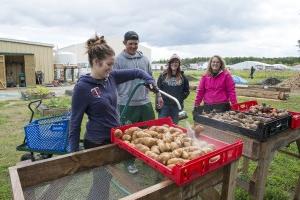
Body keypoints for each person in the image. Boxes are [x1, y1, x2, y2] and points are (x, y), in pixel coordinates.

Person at [69, 35, 157, 195]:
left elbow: (138, 72)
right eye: (108, 64)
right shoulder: (82, 88)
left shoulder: (111, 77)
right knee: (101, 183)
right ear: (96, 62)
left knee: (104, 182)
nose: (111, 68)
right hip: (96, 142)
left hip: (114, 137)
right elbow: (75, 121)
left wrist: (150, 80)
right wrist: (73, 153)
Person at [114, 31, 155, 174]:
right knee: (129, 136)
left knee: (150, 132)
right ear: (124, 43)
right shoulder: (118, 60)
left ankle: (149, 157)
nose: (133, 46)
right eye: (130, 43)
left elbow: (151, 78)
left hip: (144, 102)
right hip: (127, 103)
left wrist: (159, 95)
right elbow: (112, 81)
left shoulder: (144, 60)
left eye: (135, 44)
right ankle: (129, 163)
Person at [156, 54, 190, 124]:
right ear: (169, 63)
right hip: (164, 106)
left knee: (174, 126)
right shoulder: (162, 76)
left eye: (176, 62)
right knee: (161, 125)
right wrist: (158, 106)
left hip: (176, 107)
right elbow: (158, 91)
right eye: (172, 62)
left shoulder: (183, 77)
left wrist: (179, 98)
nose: (174, 64)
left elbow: (186, 91)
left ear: (179, 64)